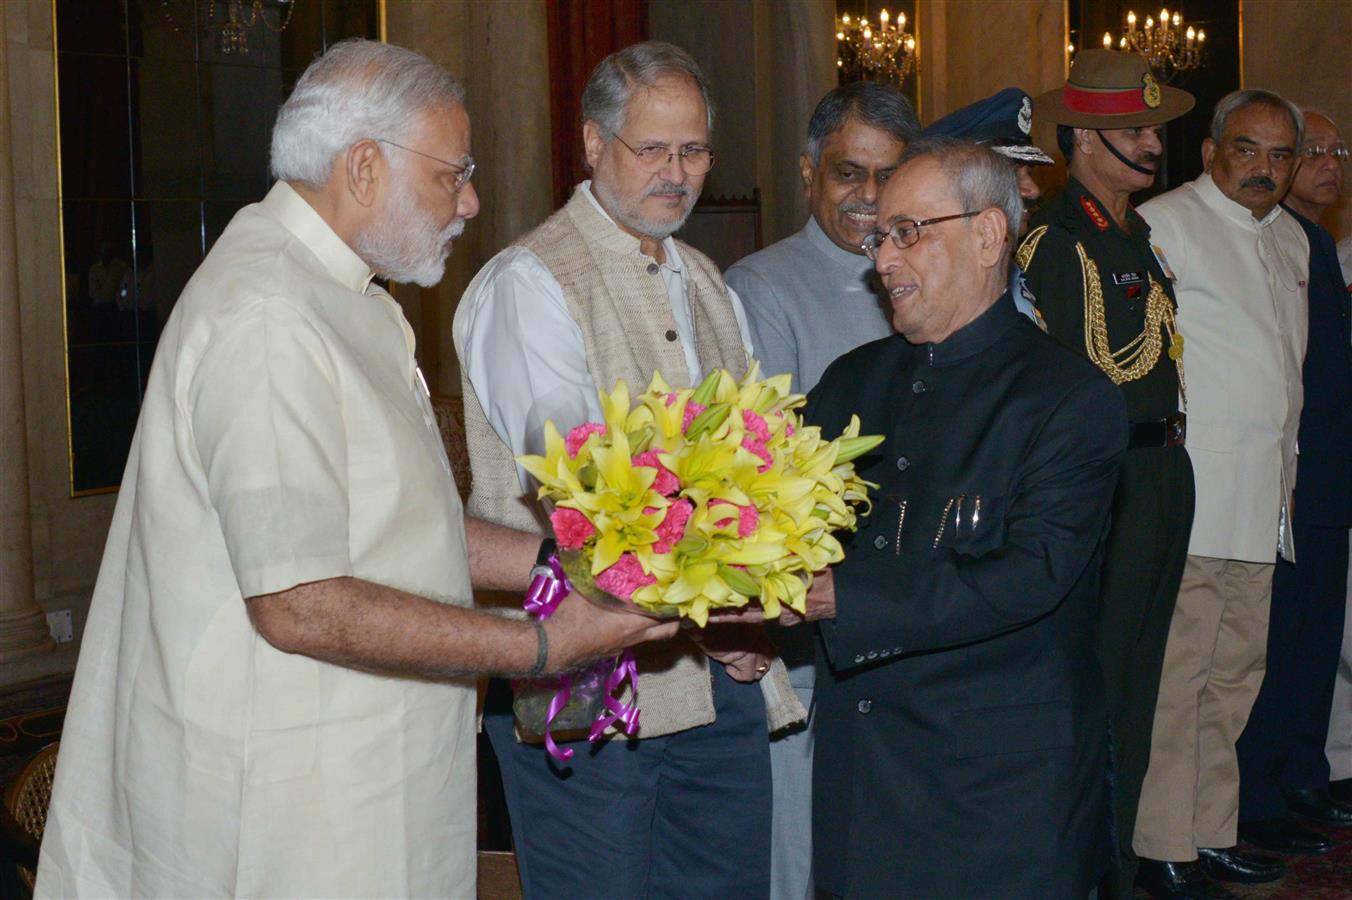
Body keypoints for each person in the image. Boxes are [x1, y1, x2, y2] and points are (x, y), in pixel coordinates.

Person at [33, 40, 675, 899]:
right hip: (288, 808)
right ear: (364, 166)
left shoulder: (342, 296)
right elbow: (298, 601)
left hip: (361, 780)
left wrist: (568, 565)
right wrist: (542, 643)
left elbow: (404, 529)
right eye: (454, 173)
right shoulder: (269, 314)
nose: (472, 200)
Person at [454, 40, 802, 899]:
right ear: (593, 144)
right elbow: (589, 494)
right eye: (653, 149)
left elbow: (760, 469)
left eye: (694, 151)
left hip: (716, 675)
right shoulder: (531, 282)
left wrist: (748, 611)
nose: (677, 173)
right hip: (583, 686)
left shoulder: (708, 280)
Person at [805, 137, 1125, 898]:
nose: (882, 260)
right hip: (864, 777)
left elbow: (1027, 576)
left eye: (909, 232)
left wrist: (838, 599)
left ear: (988, 235)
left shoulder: (1069, 399)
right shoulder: (849, 383)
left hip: (999, 794)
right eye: (878, 236)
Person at [722, 79, 918, 900]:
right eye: (848, 174)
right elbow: (763, 470)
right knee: (799, 857)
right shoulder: (761, 286)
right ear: (808, 174)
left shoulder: (925, 273)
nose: (869, 199)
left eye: (888, 177)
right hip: (812, 621)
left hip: (906, 610)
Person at [1017, 49, 1196, 900]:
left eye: (1155, 128)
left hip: (1162, 470)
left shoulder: (1134, 233)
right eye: (1132, 129)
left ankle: (1117, 863)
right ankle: (1089, 871)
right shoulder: (1059, 239)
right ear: (1083, 137)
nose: (1152, 144)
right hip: (1110, 479)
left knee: (1142, 683)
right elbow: (1066, 378)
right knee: (1101, 683)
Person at [1132, 89, 1309, 899]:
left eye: (1280, 155)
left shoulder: (1296, 241)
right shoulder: (1165, 224)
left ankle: (1212, 832)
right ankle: (1164, 843)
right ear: (1210, 152)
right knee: (1182, 677)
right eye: (1248, 150)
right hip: (1198, 493)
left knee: (1236, 677)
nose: (1264, 169)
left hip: (1265, 496)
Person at [1236, 111, 1352, 850]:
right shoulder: (1259, 237)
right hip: (1282, 471)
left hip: (1332, 470)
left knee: (1317, 634)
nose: (1326, 163)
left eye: (1336, 150)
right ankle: (1261, 790)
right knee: (1271, 643)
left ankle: (1305, 772)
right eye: (1309, 151)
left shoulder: (1317, 246)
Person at [922, 86, 1056, 322]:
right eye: (1013, 175)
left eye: (1029, 173)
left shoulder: (1007, 272)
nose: (1032, 190)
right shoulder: (936, 288)